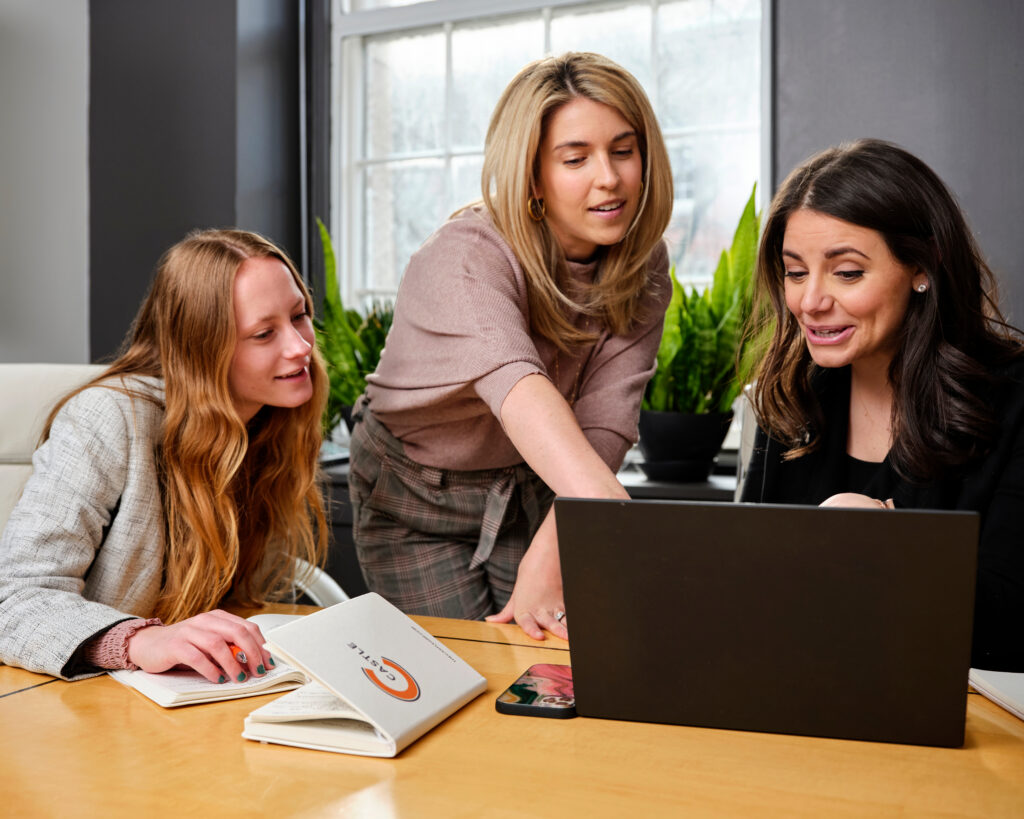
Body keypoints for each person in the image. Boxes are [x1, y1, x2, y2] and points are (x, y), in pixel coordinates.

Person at [348, 52, 673, 640]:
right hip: (417, 494)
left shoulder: (643, 265)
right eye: (575, 158)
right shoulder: (465, 257)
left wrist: (554, 548)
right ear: (532, 176)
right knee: (469, 674)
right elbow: (521, 390)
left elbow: (604, 423)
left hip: (535, 485)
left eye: (623, 150)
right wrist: (646, 556)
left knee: (546, 665)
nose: (610, 177)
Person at [741, 138, 1024, 670]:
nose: (810, 301)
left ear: (923, 267)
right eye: (796, 272)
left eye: (847, 272)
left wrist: (889, 551)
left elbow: (1009, 629)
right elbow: (753, 589)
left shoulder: (1014, 399)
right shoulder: (792, 394)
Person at [0, 229, 329, 680]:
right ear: (202, 346)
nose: (300, 346)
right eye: (263, 333)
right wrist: (137, 640)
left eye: (300, 315)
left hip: (187, 698)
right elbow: (14, 600)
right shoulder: (110, 417)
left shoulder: (270, 423)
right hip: (80, 703)